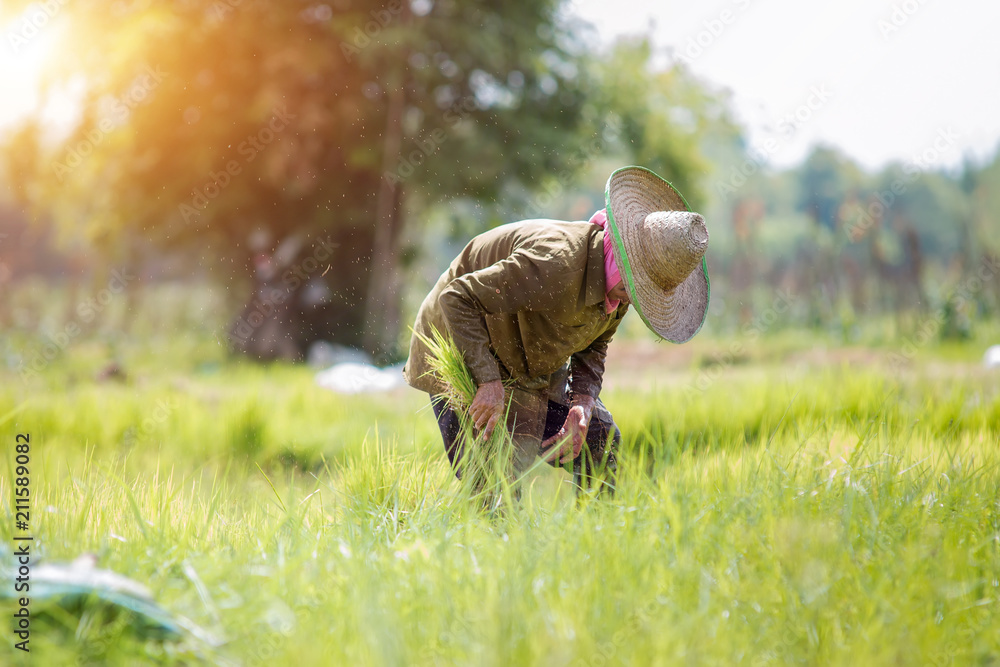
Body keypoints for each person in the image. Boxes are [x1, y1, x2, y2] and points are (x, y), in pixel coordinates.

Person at [403, 166, 710, 495]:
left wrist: (583, 402)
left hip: (527, 354)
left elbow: (594, 346)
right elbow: (458, 298)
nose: (635, 301)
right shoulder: (556, 264)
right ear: (622, 258)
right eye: (638, 288)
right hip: (462, 343)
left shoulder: (619, 292)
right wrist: (488, 380)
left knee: (599, 438)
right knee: (494, 484)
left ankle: (596, 539)